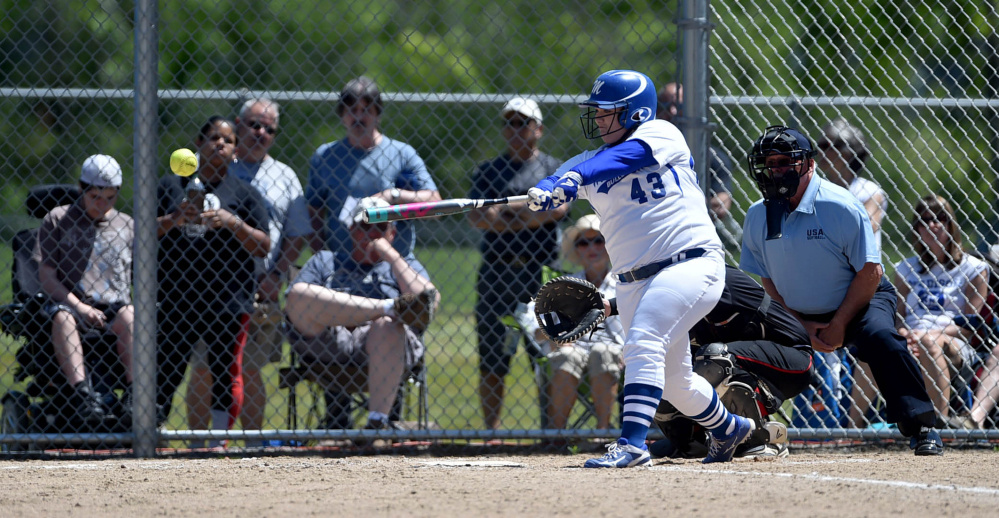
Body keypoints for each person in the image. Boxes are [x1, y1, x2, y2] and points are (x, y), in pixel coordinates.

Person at [527, 70, 753, 468]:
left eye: (607, 112)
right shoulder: (588, 161)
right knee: (674, 382)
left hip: (690, 264)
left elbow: (620, 160)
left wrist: (572, 177)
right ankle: (727, 428)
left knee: (643, 342)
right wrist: (548, 190)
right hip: (633, 283)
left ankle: (632, 444)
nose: (597, 118)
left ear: (635, 112)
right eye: (595, 111)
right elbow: (564, 178)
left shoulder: (660, 134)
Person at [739, 125, 943, 455]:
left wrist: (838, 325)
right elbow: (768, 280)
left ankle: (922, 426)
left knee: (881, 339)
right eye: (768, 163)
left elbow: (870, 272)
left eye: (784, 163)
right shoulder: (758, 214)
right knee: (740, 344)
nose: (775, 171)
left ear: (809, 165)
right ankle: (733, 428)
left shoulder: (840, 205)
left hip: (861, 297)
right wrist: (798, 324)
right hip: (798, 310)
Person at [185, 99, 309, 447]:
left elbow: (296, 234)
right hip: (209, 289)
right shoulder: (215, 166)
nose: (261, 133)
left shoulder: (284, 176)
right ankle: (198, 443)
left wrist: (276, 277)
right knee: (205, 368)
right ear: (238, 125)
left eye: (269, 129)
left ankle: (252, 445)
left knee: (249, 369)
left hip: (261, 288)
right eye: (255, 124)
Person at [155, 116, 271, 439]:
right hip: (176, 295)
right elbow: (144, 231)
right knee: (167, 368)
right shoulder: (171, 186)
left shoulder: (244, 193)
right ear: (198, 145)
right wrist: (175, 219)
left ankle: (219, 438)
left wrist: (232, 223)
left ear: (235, 151)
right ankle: (152, 430)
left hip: (228, 298)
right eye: (212, 138)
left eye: (228, 140)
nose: (220, 143)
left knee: (225, 368)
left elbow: (263, 246)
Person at [284, 197, 439, 433]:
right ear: (352, 229)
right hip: (328, 343)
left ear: (392, 232)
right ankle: (388, 306)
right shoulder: (326, 260)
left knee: (387, 324)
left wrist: (392, 257)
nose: (372, 233)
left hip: (385, 342)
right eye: (366, 226)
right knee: (297, 293)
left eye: (381, 227)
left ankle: (376, 424)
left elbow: (428, 303)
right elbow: (296, 302)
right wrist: (389, 306)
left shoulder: (404, 264)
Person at [467, 97, 568, 431]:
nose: (514, 129)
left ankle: (552, 431)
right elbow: (479, 217)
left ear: (538, 129)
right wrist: (528, 213)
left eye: (522, 122)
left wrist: (506, 215)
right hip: (497, 271)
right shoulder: (487, 172)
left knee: (549, 351)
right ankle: (492, 431)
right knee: (493, 356)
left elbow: (556, 210)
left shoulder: (552, 169)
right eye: (508, 123)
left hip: (540, 271)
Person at [647, 265, 814, 459]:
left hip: (793, 361)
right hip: (747, 362)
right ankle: (691, 443)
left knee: (715, 359)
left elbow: (667, 297)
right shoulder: (678, 287)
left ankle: (758, 439)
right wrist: (611, 306)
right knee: (662, 365)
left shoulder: (713, 276)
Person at [34, 154, 135, 425]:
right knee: (63, 318)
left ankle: (135, 394)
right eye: (95, 197)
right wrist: (80, 307)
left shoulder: (127, 224)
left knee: (131, 316)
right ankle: (83, 395)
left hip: (114, 310)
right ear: (81, 188)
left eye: (110, 198)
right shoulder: (58, 218)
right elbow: (46, 274)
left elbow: (141, 276)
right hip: (71, 305)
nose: (102, 205)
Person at [306, 75, 441, 259]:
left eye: (367, 110)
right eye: (352, 110)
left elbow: (435, 205)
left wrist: (393, 196)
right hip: (342, 263)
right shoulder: (325, 156)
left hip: (396, 263)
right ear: (342, 115)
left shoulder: (402, 154)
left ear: (378, 114)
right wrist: (322, 258)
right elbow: (313, 214)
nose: (359, 117)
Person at [523, 215, 623, 431]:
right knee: (568, 354)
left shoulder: (624, 284)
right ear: (577, 249)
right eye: (583, 243)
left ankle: (602, 433)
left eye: (598, 240)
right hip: (573, 350)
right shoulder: (564, 286)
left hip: (616, 354)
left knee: (602, 351)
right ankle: (556, 435)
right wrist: (554, 335)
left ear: (609, 245)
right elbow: (534, 326)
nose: (591, 248)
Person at [895, 194, 988, 424]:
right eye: (925, 220)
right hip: (912, 337)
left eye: (940, 218)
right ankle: (852, 430)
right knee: (874, 350)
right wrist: (904, 334)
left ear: (951, 224)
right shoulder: (905, 268)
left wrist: (931, 335)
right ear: (917, 228)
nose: (933, 225)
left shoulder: (973, 267)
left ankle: (939, 426)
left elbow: (970, 324)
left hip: (953, 342)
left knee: (929, 343)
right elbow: (898, 316)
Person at [657, 82, 741, 252]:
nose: (672, 112)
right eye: (665, 106)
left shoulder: (712, 157)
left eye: (679, 106)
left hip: (698, 241)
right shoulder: (641, 152)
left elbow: (721, 204)